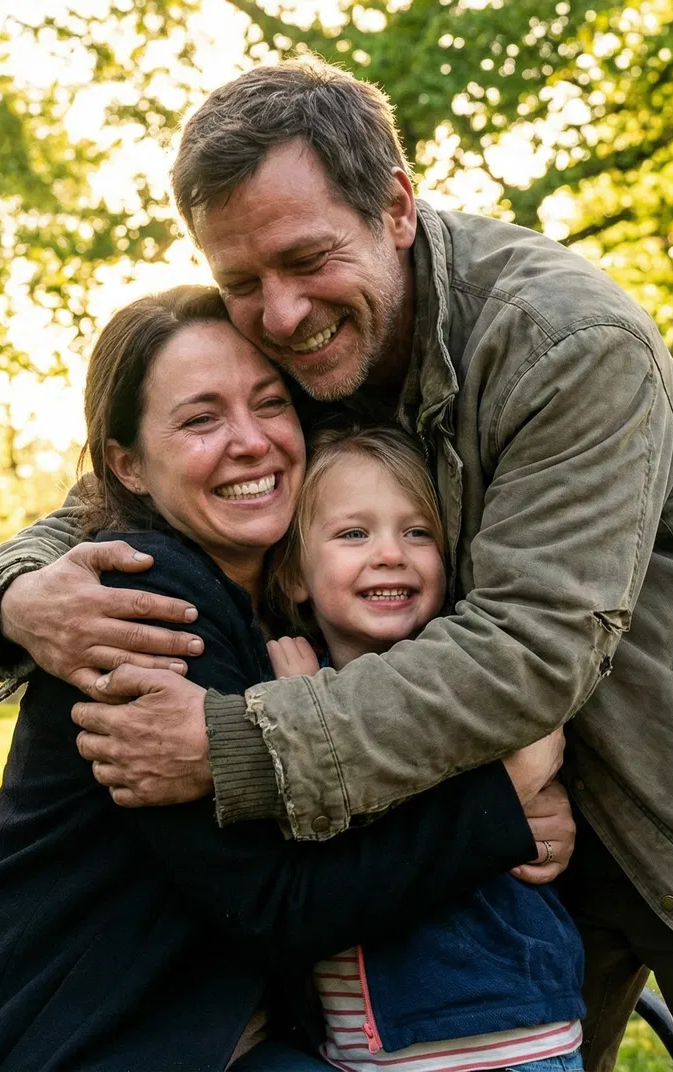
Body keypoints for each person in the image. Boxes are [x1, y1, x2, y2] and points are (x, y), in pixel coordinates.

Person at [0, 60, 673, 1070]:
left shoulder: (567, 341)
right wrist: (16, 594)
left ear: (398, 208)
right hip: (516, 817)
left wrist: (233, 742)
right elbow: (114, 495)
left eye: (305, 258)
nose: (279, 315)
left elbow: (531, 646)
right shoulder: (298, 343)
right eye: (242, 282)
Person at [0, 286, 570, 1071]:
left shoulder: (293, 611)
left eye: (269, 403)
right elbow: (278, 906)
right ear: (127, 465)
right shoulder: (142, 605)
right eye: (200, 419)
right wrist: (502, 799)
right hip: (63, 1042)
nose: (249, 442)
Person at [266, 423, 585, 1071]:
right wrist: (300, 710)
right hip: (363, 1049)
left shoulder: (470, 682)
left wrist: (311, 719)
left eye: (418, 533)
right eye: (354, 534)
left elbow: (396, 816)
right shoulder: (288, 680)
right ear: (296, 574)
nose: (391, 553)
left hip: (495, 1036)